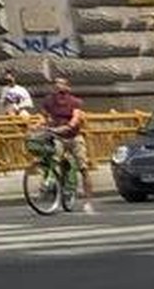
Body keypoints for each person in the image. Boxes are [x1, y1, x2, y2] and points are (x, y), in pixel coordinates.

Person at [41, 75, 92, 213]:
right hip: (58, 136)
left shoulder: (74, 102)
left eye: (61, 84)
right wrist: (40, 125)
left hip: (74, 136)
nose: (58, 87)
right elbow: (44, 116)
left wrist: (69, 126)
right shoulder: (48, 101)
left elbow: (76, 118)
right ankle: (52, 183)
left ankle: (88, 202)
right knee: (54, 157)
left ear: (67, 87)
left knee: (83, 168)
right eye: (55, 84)